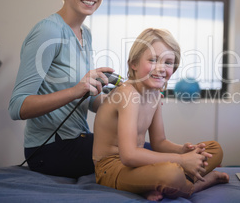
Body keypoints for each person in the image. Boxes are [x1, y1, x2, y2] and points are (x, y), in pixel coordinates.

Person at [9, 0, 113, 178]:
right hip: (48, 150)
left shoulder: (86, 34)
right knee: (135, 154)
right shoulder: (49, 31)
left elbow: (92, 102)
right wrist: (76, 90)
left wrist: (128, 98)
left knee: (139, 148)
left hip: (78, 139)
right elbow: (17, 107)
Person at [93, 28, 229, 201]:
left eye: (168, 62)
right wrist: (181, 160)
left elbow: (159, 142)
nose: (160, 68)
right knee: (171, 172)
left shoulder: (155, 94)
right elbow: (128, 156)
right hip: (113, 168)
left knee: (214, 149)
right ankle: (197, 184)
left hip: (138, 165)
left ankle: (154, 185)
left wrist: (182, 150)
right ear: (133, 63)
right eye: (152, 60)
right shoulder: (127, 93)